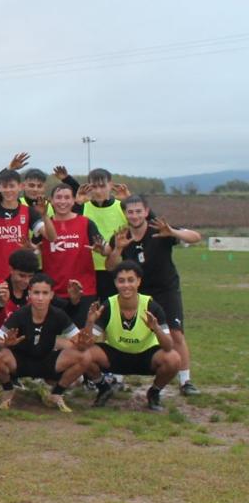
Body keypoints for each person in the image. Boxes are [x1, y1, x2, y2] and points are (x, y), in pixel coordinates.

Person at [107, 196, 202, 395]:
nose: (134, 215)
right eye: (130, 212)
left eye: (138, 211)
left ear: (146, 211)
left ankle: (185, 382)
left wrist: (173, 231)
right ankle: (117, 377)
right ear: (124, 214)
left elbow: (196, 237)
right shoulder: (121, 235)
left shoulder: (160, 230)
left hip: (165, 290)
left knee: (175, 334)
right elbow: (110, 266)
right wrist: (118, 249)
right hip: (136, 293)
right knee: (124, 332)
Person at [84, 261, 181, 412]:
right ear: (115, 283)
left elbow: (168, 346)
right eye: (121, 280)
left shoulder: (151, 306)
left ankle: (154, 392)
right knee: (84, 354)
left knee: (173, 358)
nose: (126, 285)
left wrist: (156, 328)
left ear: (139, 282)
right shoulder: (108, 306)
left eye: (131, 280)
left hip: (145, 356)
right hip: (115, 355)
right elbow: (86, 343)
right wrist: (90, 322)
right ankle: (103, 388)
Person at [0, 273, 93, 412]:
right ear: (29, 294)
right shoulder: (19, 315)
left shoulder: (59, 314)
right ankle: (8, 389)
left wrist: (89, 324)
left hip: (47, 360)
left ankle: (56, 393)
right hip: (20, 361)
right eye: (36, 293)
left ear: (52, 295)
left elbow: (80, 342)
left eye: (45, 293)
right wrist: (6, 344)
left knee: (85, 356)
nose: (40, 298)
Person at [0, 168, 52, 311]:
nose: (8, 190)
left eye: (12, 186)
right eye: (5, 186)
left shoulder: (28, 212)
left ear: (20, 187)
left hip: (18, 280)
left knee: (18, 322)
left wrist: (44, 216)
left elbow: (51, 237)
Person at [41, 182, 106, 326]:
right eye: (58, 197)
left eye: (66, 197)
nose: (62, 201)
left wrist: (103, 250)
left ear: (73, 200)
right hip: (54, 293)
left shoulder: (86, 223)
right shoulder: (44, 225)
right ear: (51, 201)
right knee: (54, 340)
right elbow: (32, 247)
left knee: (82, 340)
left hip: (84, 291)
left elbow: (106, 249)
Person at [80, 168, 129, 299]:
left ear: (111, 185)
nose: (98, 191)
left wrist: (128, 200)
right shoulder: (83, 208)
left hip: (117, 269)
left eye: (102, 186)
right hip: (89, 270)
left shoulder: (122, 207)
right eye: (94, 187)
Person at [0, 249, 40, 336]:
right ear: (11, 269)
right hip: (0, 343)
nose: (26, 281)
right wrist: (0, 303)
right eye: (22, 275)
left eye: (30, 276)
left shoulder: (36, 289)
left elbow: (59, 306)